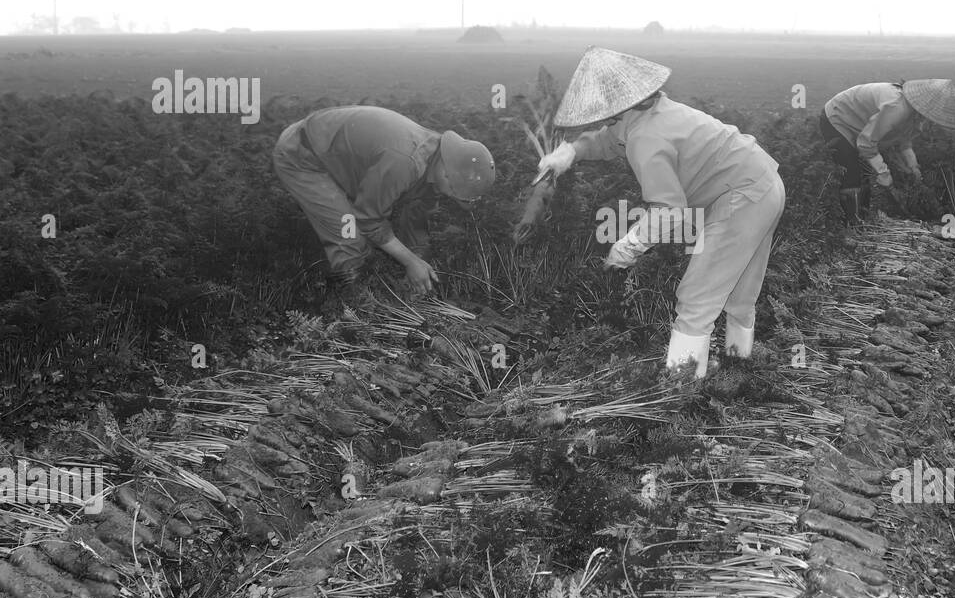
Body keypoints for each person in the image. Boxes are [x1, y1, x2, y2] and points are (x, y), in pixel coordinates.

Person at [536, 47, 785, 378]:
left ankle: (684, 388)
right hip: (764, 183)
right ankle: (736, 369)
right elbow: (606, 141)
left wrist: (629, 245)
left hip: (744, 198)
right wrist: (571, 152)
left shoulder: (646, 138)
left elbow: (671, 212)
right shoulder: (653, 111)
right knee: (739, 292)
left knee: (696, 297)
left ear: (611, 108)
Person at [273, 105, 495, 295]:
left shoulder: (438, 159)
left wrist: (418, 263)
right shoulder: (405, 163)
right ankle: (349, 306)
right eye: (455, 191)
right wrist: (409, 262)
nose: (452, 196)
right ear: (447, 172)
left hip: (333, 149)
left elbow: (416, 217)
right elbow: (368, 219)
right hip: (304, 155)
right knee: (350, 237)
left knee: (361, 219)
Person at [819, 80, 955, 224]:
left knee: (863, 174)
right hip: (838, 118)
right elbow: (866, 143)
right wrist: (883, 173)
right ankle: (851, 227)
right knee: (850, 172)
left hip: (858, 124)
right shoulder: (896, 107)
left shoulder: (912, 112)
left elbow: (904, 141)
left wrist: (914, 167)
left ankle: (863, 218)